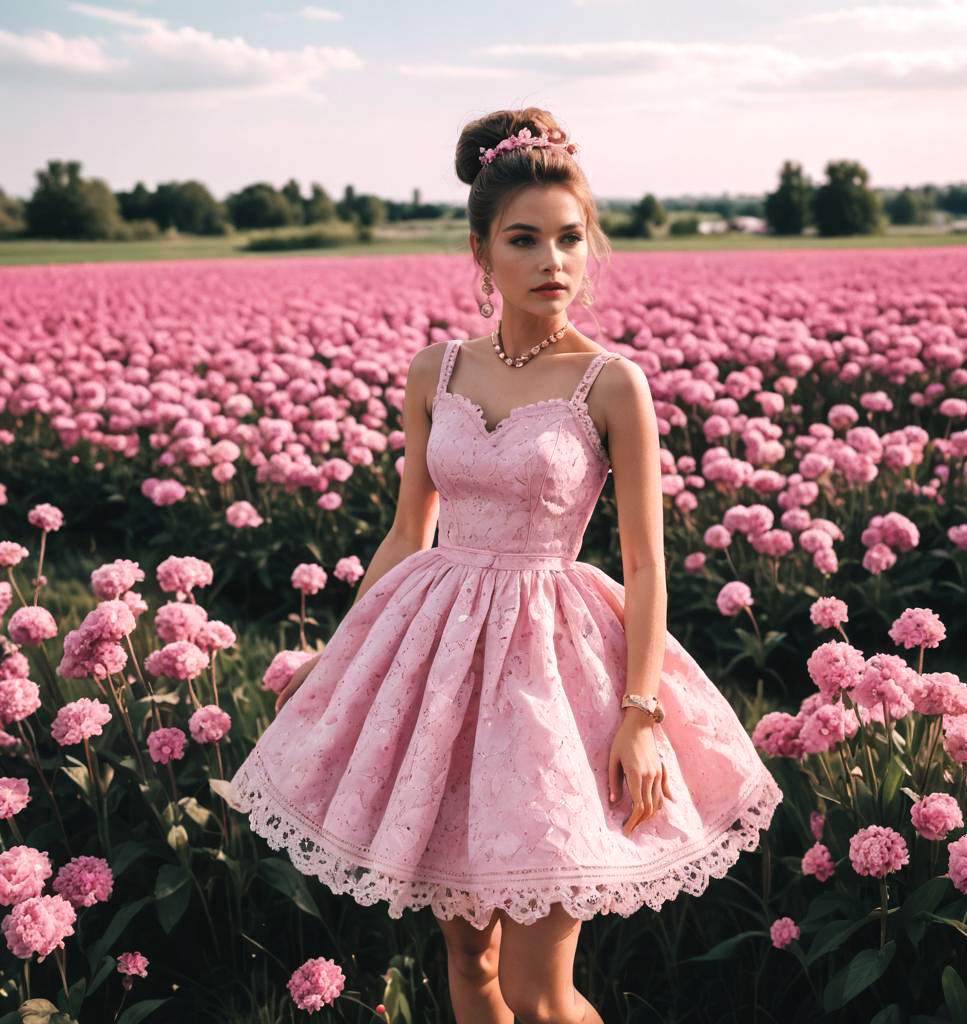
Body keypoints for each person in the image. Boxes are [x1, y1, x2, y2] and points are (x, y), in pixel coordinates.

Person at [228, 107, 784, 1024]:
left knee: (540, 987)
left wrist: (641, 717)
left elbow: (646, 565)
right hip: (436, 664)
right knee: (470, 960)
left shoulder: (611, 382)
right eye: (524, 240)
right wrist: (335, 660)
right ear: (481, 251)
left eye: (571, 239)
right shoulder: (435, 370)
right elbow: (410, 532)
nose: (553, 262)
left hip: (551, 674)